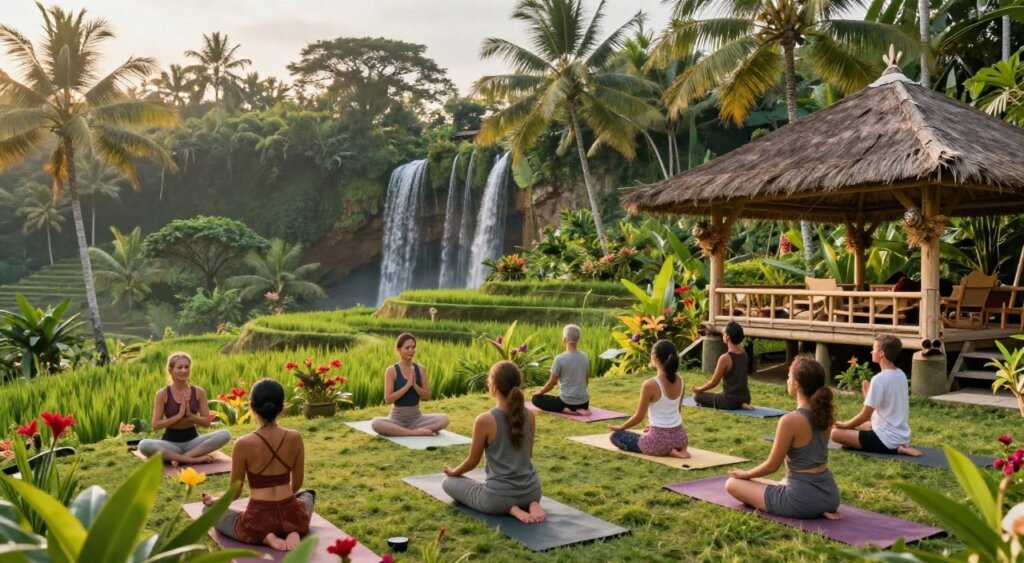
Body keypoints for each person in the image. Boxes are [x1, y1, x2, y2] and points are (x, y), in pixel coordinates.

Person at [201, 379, 314, 551]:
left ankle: (266, 537)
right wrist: (284, 508)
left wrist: (214, 501)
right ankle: (294, 530)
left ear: (252, 407)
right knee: (307, 494)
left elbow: (235, 493)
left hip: (257, 521)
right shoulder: (295, 437)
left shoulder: (243, 444)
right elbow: (296, 484)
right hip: (292, 514)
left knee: (207, 512)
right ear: (282, 407)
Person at [725, 356, 842, 520]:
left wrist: (745, 474)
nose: (787, 380)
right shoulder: (825, 415)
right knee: (778, 482)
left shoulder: (790, 420)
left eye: (789, 376)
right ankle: (817, 507)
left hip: (801, 500)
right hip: (830, 496)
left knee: (732, 484)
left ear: (796, 384)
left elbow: (772, 466)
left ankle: (810, 507)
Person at [442, 361, 545, 524]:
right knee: (517, 494)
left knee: (448, 483)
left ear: (494, 386)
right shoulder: (530, 416)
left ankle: (511, 508)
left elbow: (472, 461)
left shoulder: (485, 420)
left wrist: (454, 472)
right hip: (533, 491)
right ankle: (531, 504)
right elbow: (528, 455)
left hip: (498, 499)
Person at [831, 335, 921, 457]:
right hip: (901, 435)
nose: (871, 351)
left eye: (874, 348)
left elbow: (866, 415)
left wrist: (845, 425)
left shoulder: (879, 379)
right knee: (863, 425)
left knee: (835, 433)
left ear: (882, 353)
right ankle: (898, 446)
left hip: (885, 441)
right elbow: (884, 408)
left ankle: (896, 449)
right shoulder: (901, 375)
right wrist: (868, 396)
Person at [138, 352, 230, 465]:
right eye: (179, 367)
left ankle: (183, 457)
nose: (184, 370)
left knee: (225, 434)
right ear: (170, 370)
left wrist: (191, 415)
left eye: (187, 367)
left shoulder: (199, 392)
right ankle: (192, 459)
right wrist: (179, 416)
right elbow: (155, 425)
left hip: (193, 443)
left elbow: (206, 423)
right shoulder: (162, 394)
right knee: (144, 445)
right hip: (170, 444)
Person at [608, 339, 690, 459]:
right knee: (653, 434)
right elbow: (676, 412)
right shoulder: (680, 381)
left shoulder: (650, 385)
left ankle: (668, 451)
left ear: (655, 357)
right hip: (680, 439)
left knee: (616, 436)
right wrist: (653, 426)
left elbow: (639, 417)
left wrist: (621, 427)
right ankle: (675, 450)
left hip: (657, 444)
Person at [370, 333, 450, 437]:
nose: (411, 350)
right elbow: (388, 399)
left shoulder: (421, 369)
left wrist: (415, 386)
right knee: (376, 423)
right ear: (398, 349)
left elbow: (427, 396)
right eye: (407, 347)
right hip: (396, 419)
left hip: (417, 419)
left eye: (413, 347)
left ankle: (402, 431)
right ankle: (415, 432)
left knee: (444, 419)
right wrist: (407, 386)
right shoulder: (391, 371)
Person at [531, 324, 591, 416]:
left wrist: (540, 391)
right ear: (578, 339)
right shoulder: (585, 356)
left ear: (564, 339)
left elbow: (552, 383)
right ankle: (576, 409)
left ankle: (567, 410)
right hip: (584, 403)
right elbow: (586, 381)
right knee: (559, 398)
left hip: (566, 402)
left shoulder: (559, 358)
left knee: (535, 399)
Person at [692, 322, 753, 410]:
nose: (722, 335)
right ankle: (741, 404)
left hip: (729, 401)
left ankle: (737, 404)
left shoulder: (725, 358)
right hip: (746, 398)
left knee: (697, 396)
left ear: (728, 336)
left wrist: (699, 389)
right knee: (721, 394)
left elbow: (714, 382)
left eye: (724, 333)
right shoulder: (744, 354)